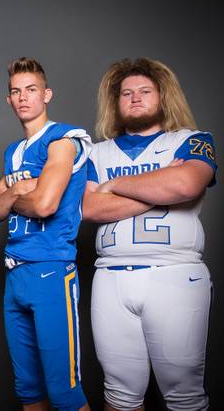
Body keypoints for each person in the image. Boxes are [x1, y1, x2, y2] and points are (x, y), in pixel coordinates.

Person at [82, 58, 216, 411]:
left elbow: (186, 183)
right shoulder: (96, 152)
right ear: (116, 102)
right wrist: (158, 187)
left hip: (173, 273)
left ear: (162, 96)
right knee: (120, 394)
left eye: (144, 91)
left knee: (184, 394)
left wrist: (114, 185)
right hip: (110, 277)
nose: (135, 98)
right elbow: (90, 209)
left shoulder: (193, 141)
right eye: (126, 93)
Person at [0, 58, 92, 411]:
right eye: (16, 91)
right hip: (15, 274)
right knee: (27, 390)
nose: (23, 98)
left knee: (64, 391)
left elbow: (46, 204)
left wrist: (11, 192)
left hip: (51, 268)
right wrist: (19, 191)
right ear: (9, 100)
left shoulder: (62, 141)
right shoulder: (12, 152)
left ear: (46, 94)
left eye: (31, 90)